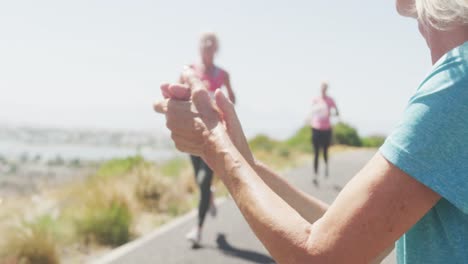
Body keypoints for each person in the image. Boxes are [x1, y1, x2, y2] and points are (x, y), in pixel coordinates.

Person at [155, 0, 468, 262]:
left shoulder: (458, 80)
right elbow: (355, 242)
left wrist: (215, 145)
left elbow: (320, 256)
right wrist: (242, 162)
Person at [179, 32, 236, 247]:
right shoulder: (189, 71)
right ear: (199, 47)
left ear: (216, 49)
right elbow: (178, 96)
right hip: (193, 131)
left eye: (212, 45)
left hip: (213, 133)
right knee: (199, 180)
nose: (208, 47)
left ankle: (198, 230)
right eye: (205, 44)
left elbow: (233, 98)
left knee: (204, 180)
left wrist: (220, 98)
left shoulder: (223, 74)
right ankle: (209, 195)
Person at [310, 81, 339, 185]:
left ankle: (326, 169)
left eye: (325, 88)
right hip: (316, 128)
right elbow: (312, 112)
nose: (323, 89)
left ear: (327, 89)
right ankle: (315, 174)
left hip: (326, 129)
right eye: (322, 87)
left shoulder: (330, 100)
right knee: (316, 152)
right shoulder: (316, 100)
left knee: (325, 152)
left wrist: (330, 112)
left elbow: (337, 112)